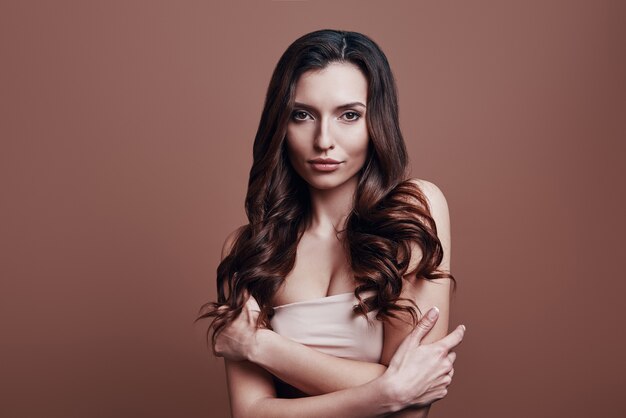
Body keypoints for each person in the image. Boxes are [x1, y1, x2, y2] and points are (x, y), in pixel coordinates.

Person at [196, 29, 466, 417]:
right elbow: (250, 412)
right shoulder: (249, 250)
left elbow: (412, 408)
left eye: (349, 115)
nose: (324, 139)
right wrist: (384, 391)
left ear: (377, 123)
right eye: (302, 115)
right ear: (281, 124)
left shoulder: (413, 212)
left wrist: (261, 346)